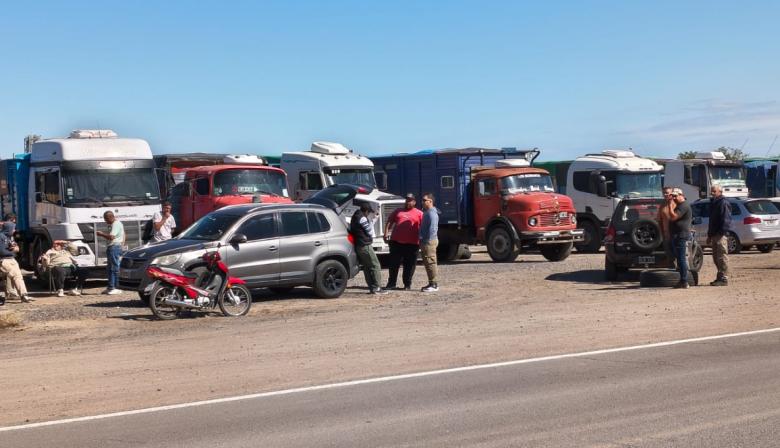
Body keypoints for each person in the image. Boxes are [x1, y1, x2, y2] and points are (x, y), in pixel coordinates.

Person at [383, 193, 423, 290]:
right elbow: (389, 221)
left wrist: (422, 240)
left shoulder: (419, 213)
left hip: (412, 244)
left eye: (410, 200)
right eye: (407, 200)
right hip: (396, 242)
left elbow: (423, 227)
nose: (408, 202)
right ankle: (391, 283)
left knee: (409, 265)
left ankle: (407, 284)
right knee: (393, 264)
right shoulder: (398, 211)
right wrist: (386, 233)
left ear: (414, 202)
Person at [350, 203, 388, 295]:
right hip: (365, 246)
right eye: (368, 212)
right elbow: (370, 231)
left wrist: (373, 219)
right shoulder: (362, 218)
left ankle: (372, 288)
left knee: (367, 267)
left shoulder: (355, 216)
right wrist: (372, 221)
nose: (368, 214)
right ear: (366, 211)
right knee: (375, 265)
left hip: (359, 245)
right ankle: (377, 288)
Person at [707, 185, 732, 286]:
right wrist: (710, 235)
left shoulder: (723, 203)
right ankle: (719, 276)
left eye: (714, 191)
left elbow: (726, 219)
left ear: (720, 192)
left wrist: (722, 233)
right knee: (716, 257)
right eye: (711, 191)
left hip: (720, 234)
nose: (712, 193)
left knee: (722, 256)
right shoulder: (714, 203)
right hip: (714, 234)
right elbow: (712, 221)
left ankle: (724, 278)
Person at [668, 188, 693, 289]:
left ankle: (684, 281)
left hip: (681, 235)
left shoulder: (684, 205)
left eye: (675, 196)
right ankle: (682, 280)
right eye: (672, 196)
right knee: (679, 258)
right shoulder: (679, 205)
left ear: (681, 195)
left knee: (681, 259)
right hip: (677, 235)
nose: (673, 198)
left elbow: (674, 217)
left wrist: (670, 206)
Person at [0, 226, 32, 304]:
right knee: (13, 275)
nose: (14, 230)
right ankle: (7, 295)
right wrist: (12, 251)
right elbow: (2, 251)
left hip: (12, 259)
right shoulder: (1, 236)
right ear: (8, 228)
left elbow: (16, 248)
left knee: (19, 276)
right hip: (4, 260)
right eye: (13, 228)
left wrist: (15, 249)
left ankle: (24, 295)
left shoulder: (10, 237)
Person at [96, 211, 124, 295]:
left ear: (110, 217)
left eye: (106, 219)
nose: (106, 221)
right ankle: (110, 286)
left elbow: (111, 237)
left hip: (114, 247)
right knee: (109, 268)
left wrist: (101, 234)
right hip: (113, 247)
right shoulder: (115, 224)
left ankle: (114, 287)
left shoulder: (116, 224)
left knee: (113, 267)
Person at [419, 193, 440, 292]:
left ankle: (434, 284)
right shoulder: (427, 212)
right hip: (426, 241)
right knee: (427, 262)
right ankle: (431, 282)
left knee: (431, 262)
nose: (422, 202)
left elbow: (433, 229)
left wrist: (427, 240)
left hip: (429, 241)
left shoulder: (432, 213)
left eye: (424, 200)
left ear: (430, 201)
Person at [657, 187, 675, 264]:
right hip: (666, 234)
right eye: (664, 193)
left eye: (667, 192)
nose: (665, 194)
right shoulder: (662, 205)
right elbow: (659, 220)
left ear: (672, 193)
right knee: (669, 254)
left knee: (679, 254)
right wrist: (662, 233)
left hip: (676, 233)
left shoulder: (677, 203)